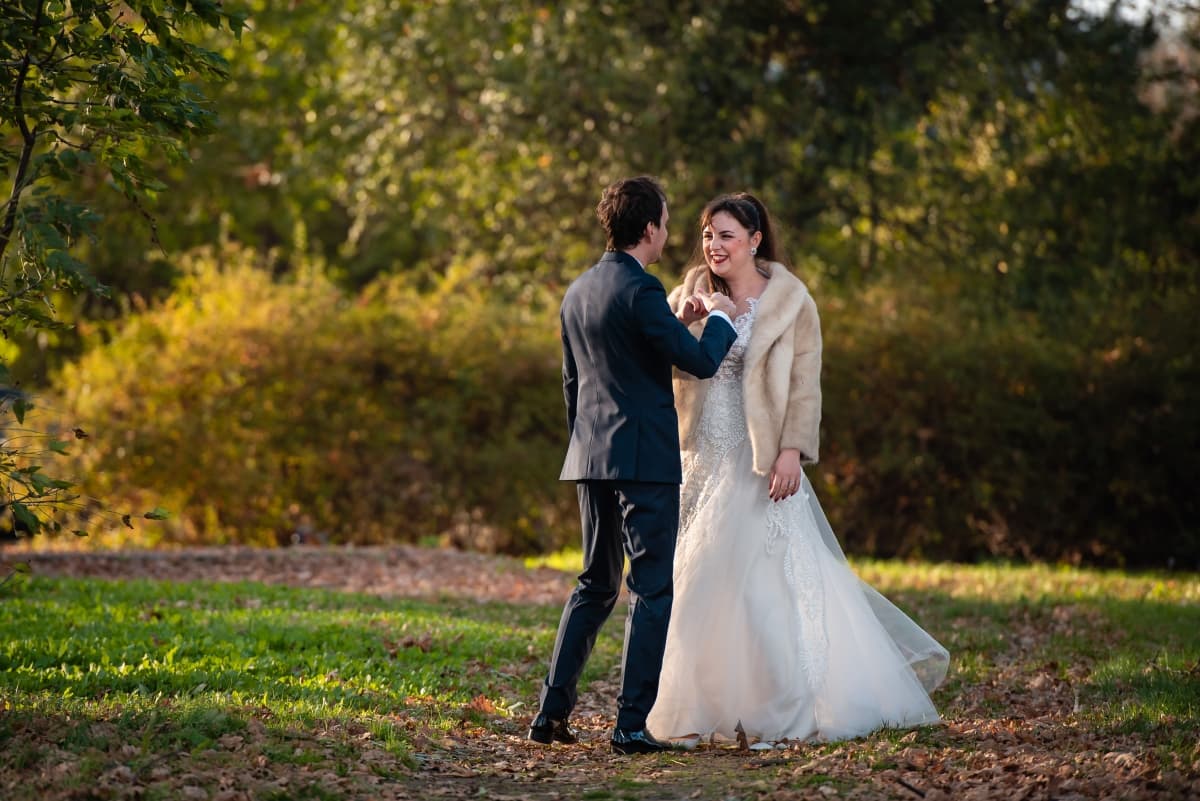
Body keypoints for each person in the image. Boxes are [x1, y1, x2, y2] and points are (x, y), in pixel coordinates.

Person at [645, 193, 949, 745]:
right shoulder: (689, 290)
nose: (714, 245)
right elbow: (659, 356)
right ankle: (697, 709)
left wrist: (792, 451)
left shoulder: (789, 299)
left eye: (727, 235)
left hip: (760, 457)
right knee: (698, 578)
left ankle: (783, 711)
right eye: (709, 234)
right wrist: (681, 318)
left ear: (755, 240)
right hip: (699, 454)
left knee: (765, 584)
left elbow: (805, 385)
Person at [529, 176, 739, 755]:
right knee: (651, 589)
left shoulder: (578, 291)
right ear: (649, 229)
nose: (670, 232)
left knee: (595, 584)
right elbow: (698, 362)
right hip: (644, 459)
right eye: (667, 223)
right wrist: (720, 317)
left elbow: (576, 384)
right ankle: (629, 725)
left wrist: (686, 317)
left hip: (590, 456)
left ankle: (549, 714)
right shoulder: (642, 289)